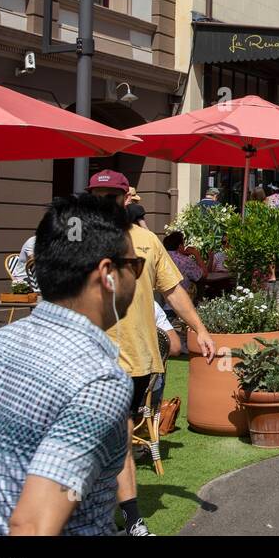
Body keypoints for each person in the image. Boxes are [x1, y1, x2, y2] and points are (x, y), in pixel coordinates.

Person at [0, 193, 137, 535]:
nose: (138, 277)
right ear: (108, 274)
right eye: (135, 266)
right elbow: (32, 525)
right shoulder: (98, 380)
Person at [88, 169, 215, 537]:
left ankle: (129, 519)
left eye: (111, 197)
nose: (105, 204)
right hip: (91, 357)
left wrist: (200, 329)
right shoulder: (79, 239)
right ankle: (105, 517)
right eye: (98, 197)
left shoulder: (146, 241)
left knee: (120, 436)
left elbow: (173, 290)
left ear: (126, 198)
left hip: (136, 357)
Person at [162, 231, 204, 297]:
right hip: (181, 301)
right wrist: (196, 254)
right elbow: (202, 275)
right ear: (180, 246)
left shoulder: (160, 258)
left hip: (161, 302)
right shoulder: (184, 261)